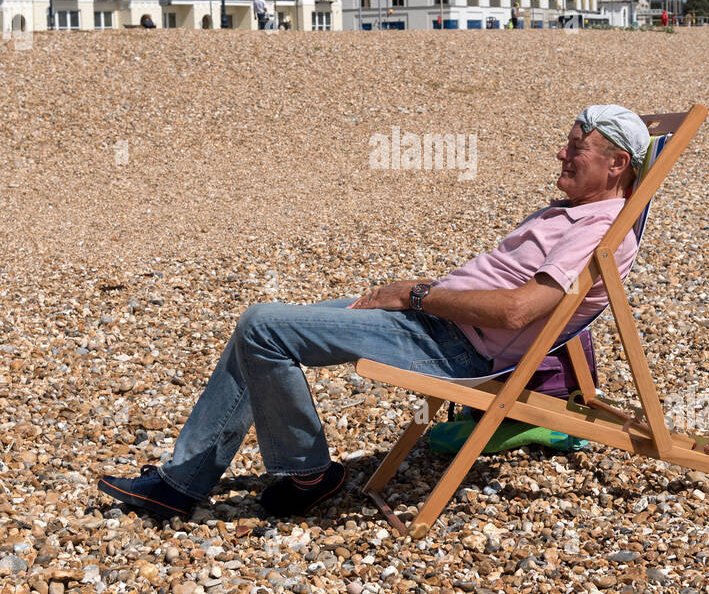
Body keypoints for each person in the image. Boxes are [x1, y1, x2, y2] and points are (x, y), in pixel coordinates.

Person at [97, 104, 651, 524]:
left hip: (450, 346)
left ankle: (306, 475)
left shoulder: (600, 229)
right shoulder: (576, 211)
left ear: (617, 164)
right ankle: (185, 479)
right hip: (434, 324)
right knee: (266, 329)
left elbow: (516, 310)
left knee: (264, 325)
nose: (560, 153)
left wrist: (414, 295)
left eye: (576, 148)